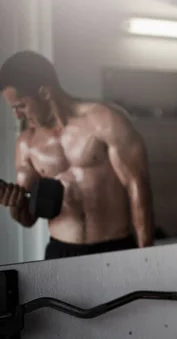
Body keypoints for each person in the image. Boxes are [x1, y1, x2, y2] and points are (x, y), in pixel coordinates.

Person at [0, 50, 154, 260]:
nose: (17, 115)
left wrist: (148, 256)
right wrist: (15, 203)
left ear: (45, 93)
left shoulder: (104, 120)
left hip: (115, 248)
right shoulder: (27, 144)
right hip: (61, 252)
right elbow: (27, 219)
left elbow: (137, 185)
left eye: (21, 106)